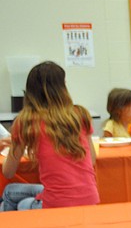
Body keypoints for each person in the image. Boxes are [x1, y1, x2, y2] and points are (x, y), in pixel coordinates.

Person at [1, 61, 99, 211]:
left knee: (13, 195)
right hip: (90, 198)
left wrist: (14, 145)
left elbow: (8, 172)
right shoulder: (80, 115)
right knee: (16, 195)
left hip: (57, 204)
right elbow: (91, 159)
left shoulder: (26, 121)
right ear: (62, 88)